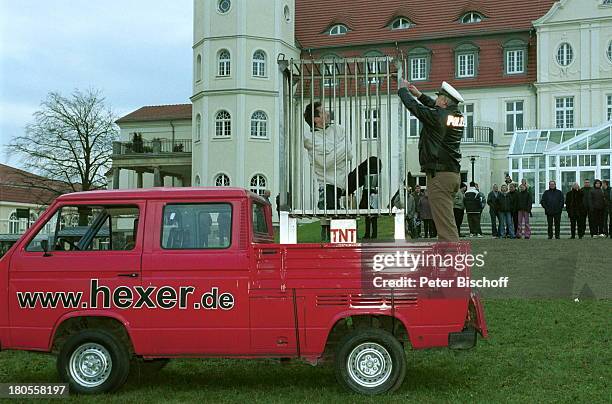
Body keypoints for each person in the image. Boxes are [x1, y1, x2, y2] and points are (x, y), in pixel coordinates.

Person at [303, 102, 381, 240]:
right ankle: (331, 237)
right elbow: (325, 163)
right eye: (323, 111)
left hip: (346, 179)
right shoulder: (311, 139)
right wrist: (342, 148)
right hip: (329, 184)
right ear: (316, 119)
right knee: (334, 214)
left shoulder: (338, 129)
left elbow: (350, 155)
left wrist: (334, 153)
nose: (328, 113)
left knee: (374, 162)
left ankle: (365, 199)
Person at [398, 80, 464, 242]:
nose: (436, 99)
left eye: (439, 97)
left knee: (445, 226)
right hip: (451, 174)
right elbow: (434, 109)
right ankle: (446, 260)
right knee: (446, 221)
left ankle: (452, 263)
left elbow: (417, 110)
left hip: (440, 175)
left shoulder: (439, 117)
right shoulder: (456, 116)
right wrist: (419, 94)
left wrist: (402, 91)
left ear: (444, 101)